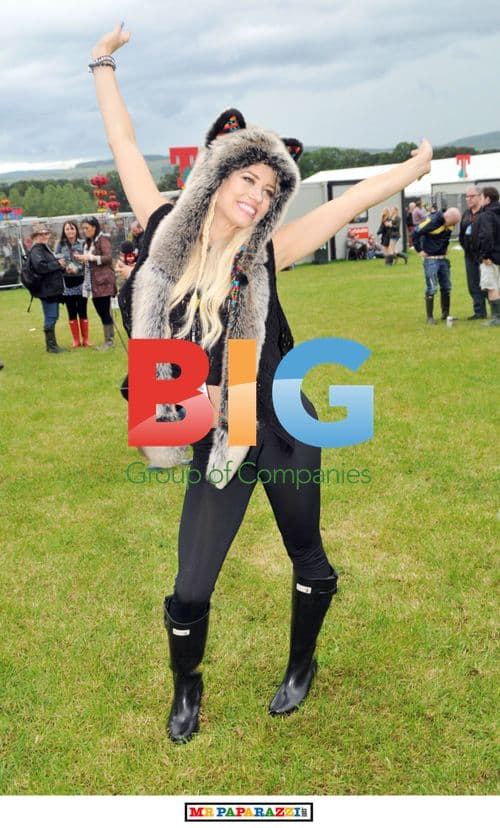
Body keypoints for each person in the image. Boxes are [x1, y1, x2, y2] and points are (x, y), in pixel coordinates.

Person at [89, 22, 432, 743]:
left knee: (306, 552)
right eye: (247, 177)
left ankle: (301, 662)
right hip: (213, 434)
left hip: (277, 418)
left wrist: (408, 172)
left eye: (270, 186)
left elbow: (340, 208)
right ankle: (187, 686)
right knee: (189, 590)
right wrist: (102, 64)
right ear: (216, 174)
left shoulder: (267, 249)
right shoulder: (160, 228)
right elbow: (124, 144)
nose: (257, 193)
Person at [412, 207, 461, 324]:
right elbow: (415, 232)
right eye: (453, 223)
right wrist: (419, 250)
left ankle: (446, 314)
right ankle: (430, 317)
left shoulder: (450, 223)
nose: (453, 226)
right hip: (431, 259)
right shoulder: (432, 221)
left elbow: (446, 237)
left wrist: (444, 249)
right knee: (432, 287)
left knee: (447, 286)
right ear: (447, 217)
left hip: (443, 259)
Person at [74, 217, 116, 350]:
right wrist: (83, 259)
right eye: (83, 228)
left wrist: (90, 257)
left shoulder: (103, 239)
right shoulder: (89, 242)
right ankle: (109, 339)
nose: (84, 231)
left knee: (104, 311)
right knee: (101, 310)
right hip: (93, 282)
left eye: (87, 228)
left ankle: (109, 341)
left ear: (94, 227)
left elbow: (108, 258)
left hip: (103, 281)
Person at [29, 223, 69, 353]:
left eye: (46, 233)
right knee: (51, 316)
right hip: (47, 290)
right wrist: (57, 263)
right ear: (35, 236)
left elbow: (47, 266)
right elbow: (40, 267)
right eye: (41, 234)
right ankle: (51, 346)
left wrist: (59, 266)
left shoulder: (43, 248)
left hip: (49, 288)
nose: (45, 236)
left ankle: (51, 345)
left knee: (52, 315)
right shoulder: (37, 250)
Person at [56, 221, 91, 347]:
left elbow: (86, 260)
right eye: (67, 229)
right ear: (64, 231)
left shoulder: (83, 243)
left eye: (72, 228)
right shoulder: (60, 245)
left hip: (81, 281)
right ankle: (76, 340)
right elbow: (57, 259)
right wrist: (64, 268)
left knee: (82, 310)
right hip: (67, 283)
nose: (70, 231)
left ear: (76, 230)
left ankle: (86, 339)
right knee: (71, 311)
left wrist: (77, 269)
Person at [459, 185, 487, 320]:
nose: (468, 199)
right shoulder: (466, 213)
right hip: (469, 255)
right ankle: (479, 312)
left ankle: (496, 312)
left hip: (485, 256)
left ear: (480, 196)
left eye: (472, 196)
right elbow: (462, 233)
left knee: (489, 283)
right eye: (467, 196)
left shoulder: (486, 212)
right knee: (473, 284)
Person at [474, 186, 500, 327]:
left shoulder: (486, 215)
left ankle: (496, 318)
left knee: (491, 286)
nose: (480, 199)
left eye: (481, 197)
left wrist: (485, 255)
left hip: (490, 258)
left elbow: (486, 236)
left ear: (487, 198)